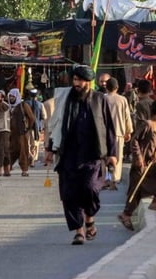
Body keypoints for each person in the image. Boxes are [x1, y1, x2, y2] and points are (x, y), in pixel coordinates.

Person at [46, 65, 117, 245]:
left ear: (89, 82)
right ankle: (79, 231)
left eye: (80, 80)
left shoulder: (99, 99)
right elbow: (55, 124)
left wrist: (112, 153)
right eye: (75, 80)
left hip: (92, 154)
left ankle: (90, 218)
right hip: (69, 153)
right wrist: (49, 148)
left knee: (89, 188)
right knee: (69, 194)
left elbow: (109, 127)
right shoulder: (65, 99)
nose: (76, 83)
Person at [118, 99, 156, 231]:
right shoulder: (147, 124)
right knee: (136, 188)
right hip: (141, 161)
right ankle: (126, 214)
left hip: (153, 160)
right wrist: (138, 158)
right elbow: (134, 140)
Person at [105, 76, 133, 189]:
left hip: (104, 134)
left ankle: (106, 179)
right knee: (118, 157)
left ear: (106, 87)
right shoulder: (122, 100)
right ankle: (114, 180)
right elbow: (127, 117)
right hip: (118, 133)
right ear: (117, 87)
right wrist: (129, 131)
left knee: (104, 156)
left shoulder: (102, 98)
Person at [9, 88, 36, 177]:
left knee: (23, 152)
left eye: (13, 96)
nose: (11, 98)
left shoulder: (23, 105)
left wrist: (28, 128)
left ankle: (25, 170)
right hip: (12, 134)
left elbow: (31, 118)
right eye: (10, 96)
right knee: (11, 151)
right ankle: (7, 168)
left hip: (21, 133)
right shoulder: (9, 107)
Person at [25, 88, 47, 166]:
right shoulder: (40, 105)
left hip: (27, 127)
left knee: (27, 143)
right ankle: (33, 160)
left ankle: (29, 156)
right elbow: (44, 116)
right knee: (35, 144)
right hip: (36, 127)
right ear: (37, 96)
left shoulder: (26, 104)